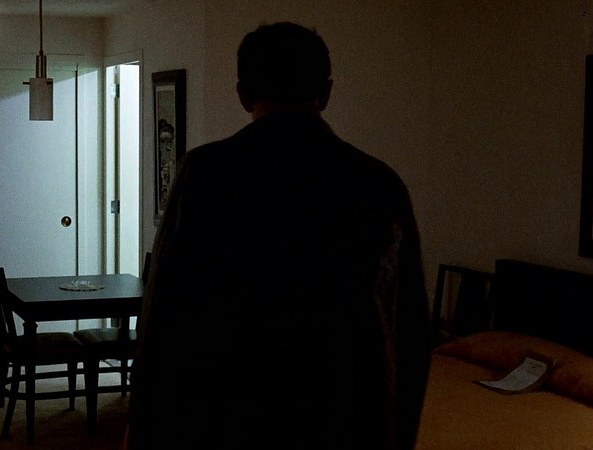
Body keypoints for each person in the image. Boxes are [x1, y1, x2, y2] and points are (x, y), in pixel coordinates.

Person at [125, 22, 431, 450]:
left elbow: (164, 317)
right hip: (344, 413)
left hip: (227, 412)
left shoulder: (206, 174)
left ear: (243, 95)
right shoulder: (378, 184)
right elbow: (409, 330)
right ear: (326, 93)